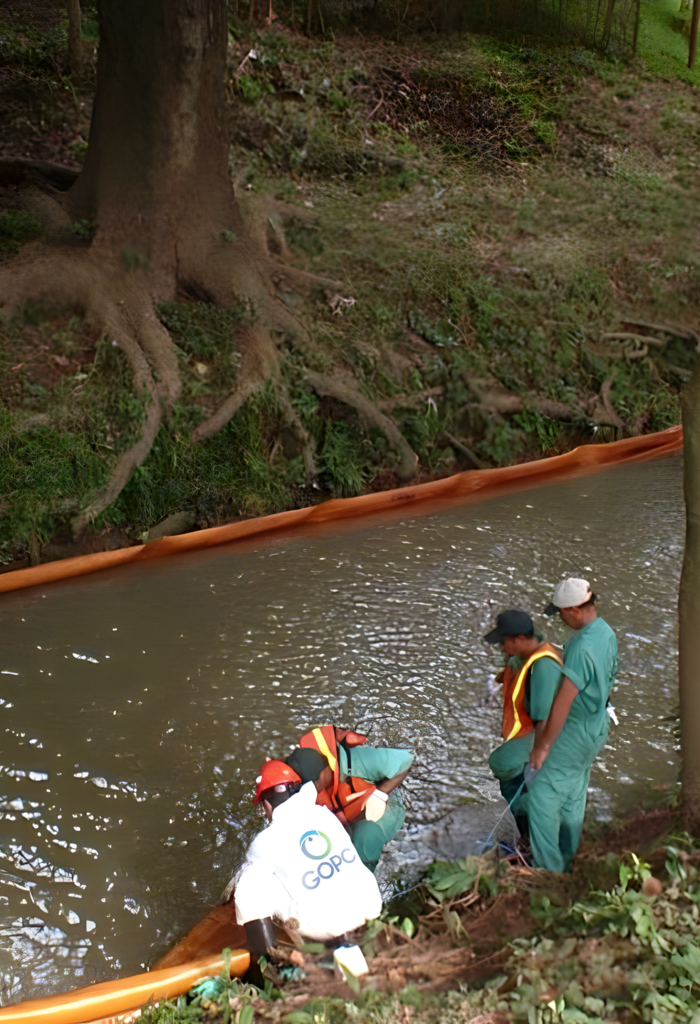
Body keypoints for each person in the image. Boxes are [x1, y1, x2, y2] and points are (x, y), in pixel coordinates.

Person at [234, 759, 382, 959]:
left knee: (254, 883)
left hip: (327, 927)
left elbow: (247, 896)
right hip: (370, 906)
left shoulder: (264, 841)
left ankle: (269, 960)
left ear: (267, 804)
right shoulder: (324, 814)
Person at [524, 578, 618, 873]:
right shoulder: (605, 632)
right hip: (598, 725)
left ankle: (550, 873)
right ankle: (568, 857)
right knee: (574, 789)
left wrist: (541, 748)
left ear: (575, 610)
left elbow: (562, 704)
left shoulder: (580, 646)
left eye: (562, 612)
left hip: (575, 732)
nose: (561, 619)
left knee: (540, 798)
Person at [288, 726, 413, 872]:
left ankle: (366, 876)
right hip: (347, 816)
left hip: (384, 808)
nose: (311, 790)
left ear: (326, 770)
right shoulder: (306, 787)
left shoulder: (358, 761)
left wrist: (380, 794)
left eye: (314, 783)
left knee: (366, 835)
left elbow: (405, 759)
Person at [484, 610, 563, 837]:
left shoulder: (543, 668)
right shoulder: (522, 656)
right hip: (527, 734)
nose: (501, 648)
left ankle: (533, 836)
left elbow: (546, 721)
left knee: (503, 763)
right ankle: (528, 833)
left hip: (546, 736)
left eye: (504, 642)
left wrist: (539, 755)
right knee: (513, 777)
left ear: (520, 638)